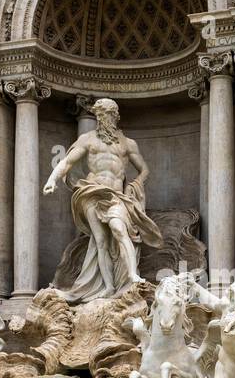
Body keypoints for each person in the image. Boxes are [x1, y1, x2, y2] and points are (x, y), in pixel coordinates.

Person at [42, 98, 162, 303]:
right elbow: (67, 161)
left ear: (115, 116)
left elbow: (144, 169)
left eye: (105, 114)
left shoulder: (127, 143)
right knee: (100, 241)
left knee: (119, 229)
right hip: (91, 192)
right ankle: (108, 287)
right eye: (99, 115)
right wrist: (52, 179)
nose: (102, 119)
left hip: (116, 195)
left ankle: (133, 276)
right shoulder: (88, 140)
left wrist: (135, 185)